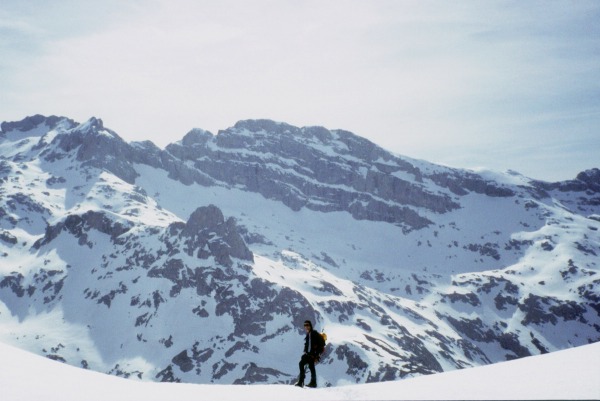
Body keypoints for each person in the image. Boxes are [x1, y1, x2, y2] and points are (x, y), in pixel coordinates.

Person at [294, 320, 324, 388]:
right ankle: (312, 382)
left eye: (307, 325)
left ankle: (302, 382)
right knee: (309, 366)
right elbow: (308, 345)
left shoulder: (314, 333)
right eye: (305, 325)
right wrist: (305, 351)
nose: (306, 327)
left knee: (304, 364)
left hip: (313, 355)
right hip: (309, 355)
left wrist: (316, 355)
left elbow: (320, 345)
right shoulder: (309, 334)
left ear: (310, 326)